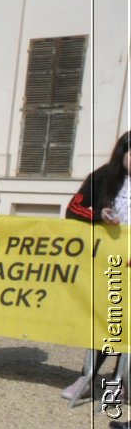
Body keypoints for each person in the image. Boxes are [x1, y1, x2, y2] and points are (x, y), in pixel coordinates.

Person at [62, 131, 131, 400]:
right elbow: (74, 209)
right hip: (108, 264)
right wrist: (98, 215)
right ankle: (88, 376)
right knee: (106, 321)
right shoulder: (103, 177)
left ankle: (120, 382)